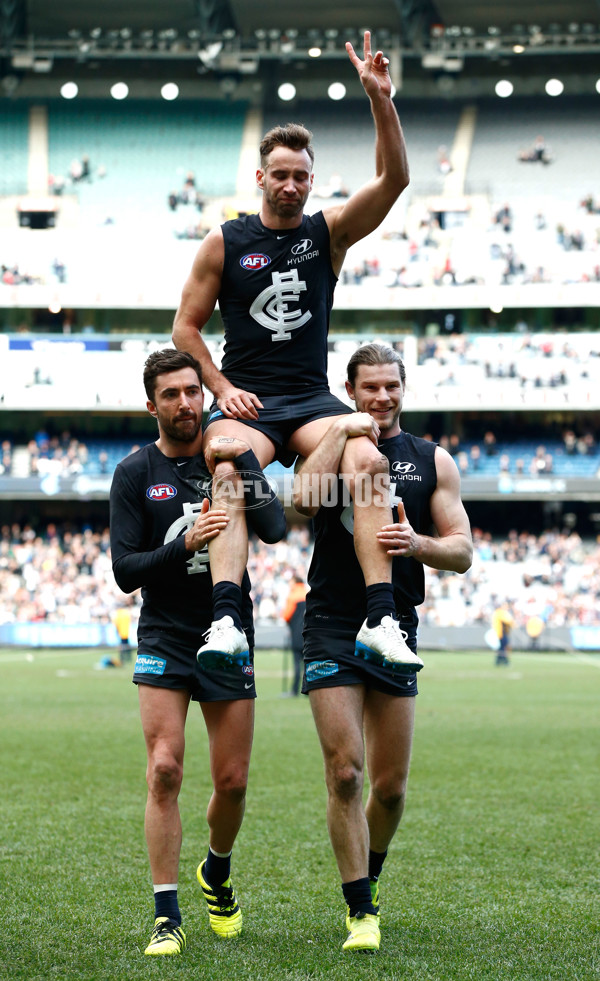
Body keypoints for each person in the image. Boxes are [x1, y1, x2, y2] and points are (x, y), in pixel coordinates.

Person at [172, 31, 414, 673]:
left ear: (311, 179)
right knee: (223, 462)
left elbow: (395, 180)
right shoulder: (223, 243)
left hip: (309, 398)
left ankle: (381, 616)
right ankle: (227, 618)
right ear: (260, 176)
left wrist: (380, 101)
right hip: (248, 399)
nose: (291, 186)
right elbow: (185, 331)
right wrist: (220, 388)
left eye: (301, 176)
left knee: (368, 456)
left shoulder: (327, 233)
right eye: (280, 175)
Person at [293, 343, 473, 952]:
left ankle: (367, 877)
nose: (382, 398)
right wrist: (340, 432)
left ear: (405, 388)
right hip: (330, 622)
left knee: (390, 788)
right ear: (350, 390)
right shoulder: (336, 443)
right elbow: (301, 502)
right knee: (345, 771)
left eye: (391, 386)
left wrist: (416, 544)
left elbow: (463, 551)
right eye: (369, 387)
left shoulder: (431, 460)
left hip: (396, 624)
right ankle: (360, 909)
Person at [109, 348, 285, 957]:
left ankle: (217, 868)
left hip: (229, 630)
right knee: (164, 769)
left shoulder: (229, 455)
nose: (186, 403)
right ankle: (166, 914)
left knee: (232, 782)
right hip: (165, 635)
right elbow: (125, 571)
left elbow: (277, 528)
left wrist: (241, 457)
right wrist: (184, 545)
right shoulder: (134, 473)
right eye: (172, 395)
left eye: (193, 391)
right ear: (151, 404)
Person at [281, 575, 308, 696]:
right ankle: (308, 689)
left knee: (297, 663)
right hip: (308, 633)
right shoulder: (308, 594)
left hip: (296, 635)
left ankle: (294, 690)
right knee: (308, 663)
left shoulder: (292, 597)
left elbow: (286, 615)